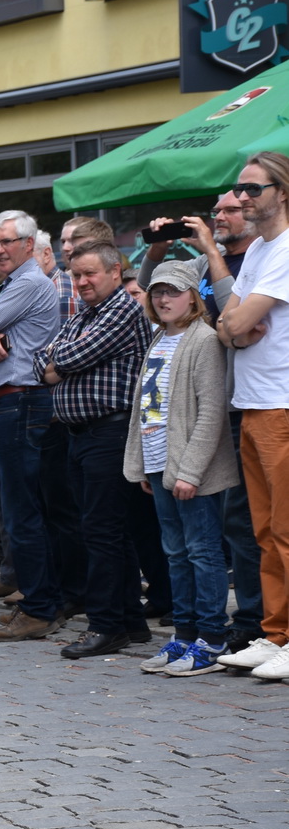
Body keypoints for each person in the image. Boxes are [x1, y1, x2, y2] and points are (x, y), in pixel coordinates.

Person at [33, 240, 152, 658]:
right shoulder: (87, 312)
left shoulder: (122, 309)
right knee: (104, 531)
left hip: (110, 433)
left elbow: (68, 357)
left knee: (102, 532)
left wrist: (57, 363)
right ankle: (130, 622)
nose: (81, 282)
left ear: (115, 272)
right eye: (75, 274)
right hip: (80, 435)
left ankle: (106, 625)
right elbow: (40, 361)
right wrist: (56, 362)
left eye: (89, 274)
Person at [122, 261, 239, 676]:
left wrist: (189, 471)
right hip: (159, 465)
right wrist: (141, 465)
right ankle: (185, 634)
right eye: (157, 292)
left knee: (203, 553)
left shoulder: (204, 340)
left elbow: (211, 413)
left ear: (193, 295)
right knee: (174, 553)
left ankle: (211, 637)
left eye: (173, 291)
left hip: (193, 470)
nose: (164, 299)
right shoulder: (158, 337)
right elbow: (145, 407)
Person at [0, 211, 67, 642]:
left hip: (20, 403)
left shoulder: (25, 283)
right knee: (21, 509)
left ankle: (40, 607)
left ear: (29, 245)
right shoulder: (6, 285)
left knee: (24, 512)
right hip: (10, 405)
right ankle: (40, 601)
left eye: (7, 242)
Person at [216, 152, 289, 679]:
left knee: (285, 529)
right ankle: (276, 632)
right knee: (263, 530)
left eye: (253, 189)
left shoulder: (286, 247)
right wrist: (237, 326)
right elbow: (228, 321)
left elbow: (239, 319)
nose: (242, 198)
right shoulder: (261, 247)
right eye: (239, 189)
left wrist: (238, 324)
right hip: (253, 400)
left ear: (282, 192)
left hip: (281, 402)